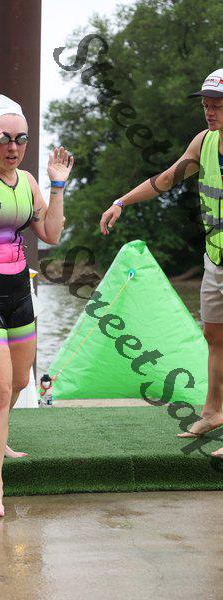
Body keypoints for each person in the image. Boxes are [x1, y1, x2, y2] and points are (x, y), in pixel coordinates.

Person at [0, 95, 74, 517]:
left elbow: (52, 234)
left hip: (19, 291)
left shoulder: (27, 182)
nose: (13, 147)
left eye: (21, 139)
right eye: (5, 138)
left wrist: (57, 185)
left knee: (19, 381)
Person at [100, 68, 223, 455]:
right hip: (215, 257)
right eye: (206, 105)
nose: (209, 111)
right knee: (214, 335)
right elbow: (166, 179)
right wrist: (121, 202)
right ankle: (213, 412)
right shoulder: (203, 142)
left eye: (217, 105)